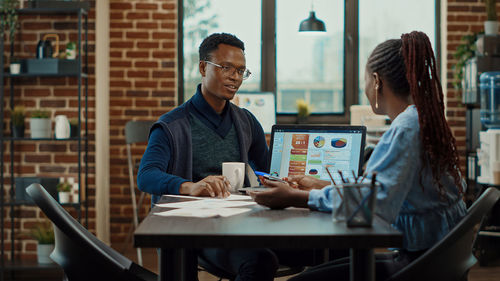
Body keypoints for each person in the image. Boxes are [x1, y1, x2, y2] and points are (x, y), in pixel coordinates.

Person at [251, 31, 467, 281]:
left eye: (363, 80)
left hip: (421, 264)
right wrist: (325, 185)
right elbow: (382, 190)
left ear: (376, 81)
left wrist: (298, 197)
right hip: (436, 257)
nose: (364, 88)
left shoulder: (406, 129)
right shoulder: (420, 119)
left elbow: (372, 205)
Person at [137, 33, 317, 281]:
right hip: (197, 232)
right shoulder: (172, 124)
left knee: (329, 251)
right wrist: (190, 186)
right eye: (226, 68)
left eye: (241, 70)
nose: (235, 77)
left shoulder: (245, 121)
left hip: (243, 225)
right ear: (203, 67)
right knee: (260, 262)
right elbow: (146, 176)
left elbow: (267, 171)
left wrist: (286, 182)